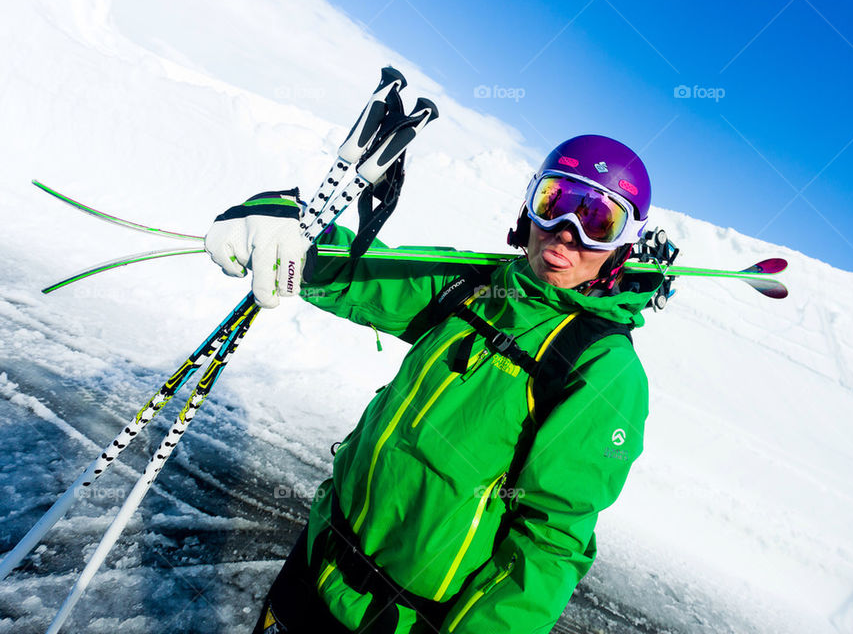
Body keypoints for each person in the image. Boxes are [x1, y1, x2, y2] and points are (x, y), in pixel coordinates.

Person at [204, 135, 660, 633]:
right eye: (555, 203)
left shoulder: (604, 371)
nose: (567, 233)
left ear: (624, 243)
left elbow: (547, 546)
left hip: (398, 621)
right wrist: (282, 226)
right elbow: (362, 271)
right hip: (319, 554)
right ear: (530, 207)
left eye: (598, 221)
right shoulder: (475, 285)